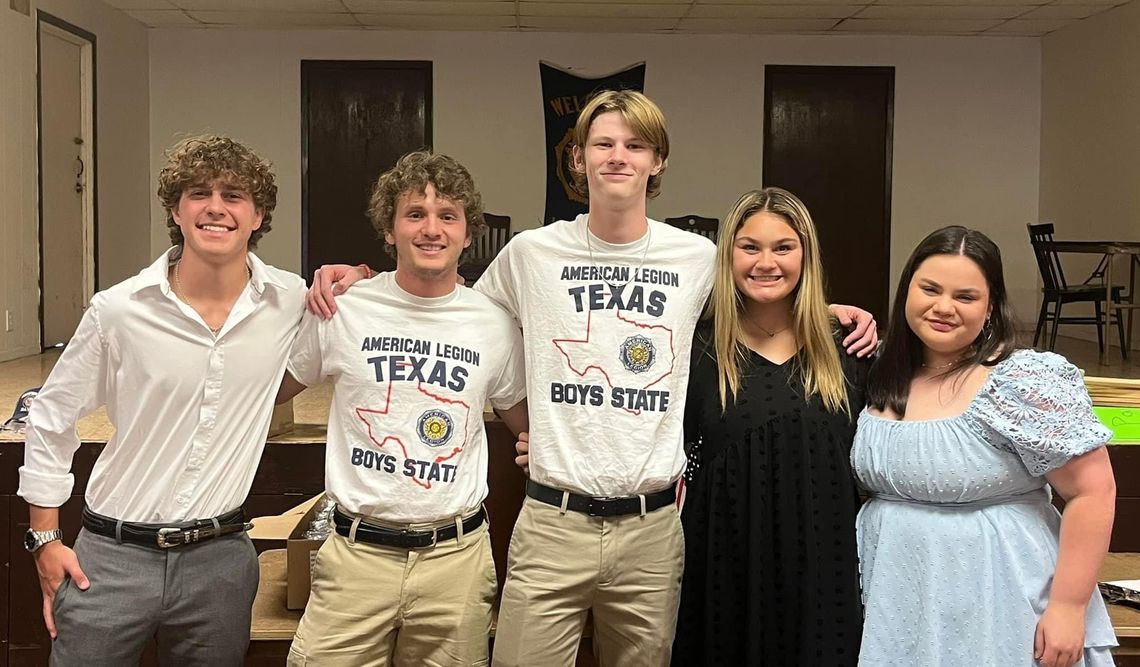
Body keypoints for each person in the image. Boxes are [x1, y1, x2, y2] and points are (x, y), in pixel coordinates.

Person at [309, 90, 878, 666]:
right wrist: (365, 278)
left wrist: (829, 313)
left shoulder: (697, 259)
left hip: (651, 529)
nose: (618, 156)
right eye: (603, 143)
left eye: (635, 145)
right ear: (577, 159)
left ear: (657, 162)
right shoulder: (531, 252)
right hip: (552, 521)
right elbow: (450, 311)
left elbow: (764, 293)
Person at [20, 135, 306, 665]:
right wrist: (45, 538)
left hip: (220, 562)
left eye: (234, 195)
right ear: (176, 210)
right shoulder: (120, 310)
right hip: (110, 560)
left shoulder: (289, 300)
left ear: (258, 215)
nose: (216, 207)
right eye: (199, 193)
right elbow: (52, 415)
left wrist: (352, 275)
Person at [278, 151, 529, 666]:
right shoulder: (343, 307)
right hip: (356, 558)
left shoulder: (494, 324)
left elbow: (527, 418)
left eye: (448, 216)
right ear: (389, 230)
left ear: (467, 231)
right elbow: (265, 394)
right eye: (415, 214)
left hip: (455, 561)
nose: (431, 229)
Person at [854, 226, 1118, 667]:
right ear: (906, 292)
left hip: (1005, 603)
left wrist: (1068, 607)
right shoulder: (878, 372)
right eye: (930, 289)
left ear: (990, 305)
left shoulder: (1023, 382)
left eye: (965, 296)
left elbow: (1093, 492)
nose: (943, 307)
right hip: (898, 599)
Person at [673, 187, 869, 665]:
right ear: (729, 256)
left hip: (824, 564)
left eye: (783, 247)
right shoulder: (696, 348)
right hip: (725, 563)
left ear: (806, 255)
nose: (767, 262)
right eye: (750, 247)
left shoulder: (850, 347)